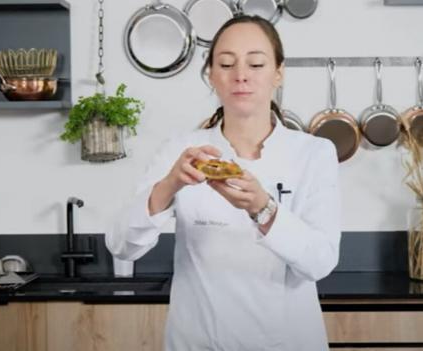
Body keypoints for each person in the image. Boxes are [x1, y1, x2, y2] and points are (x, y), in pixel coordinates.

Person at [106, 15, 341, 351]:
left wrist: (263, 207)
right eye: (227, 63)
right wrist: (170, 184)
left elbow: (320, 262)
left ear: (278, 72)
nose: (241, 75)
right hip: (199, 341)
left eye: (256, 63)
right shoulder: (180, 150)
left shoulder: (314, 153)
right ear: (211, 75)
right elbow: (122, 245)